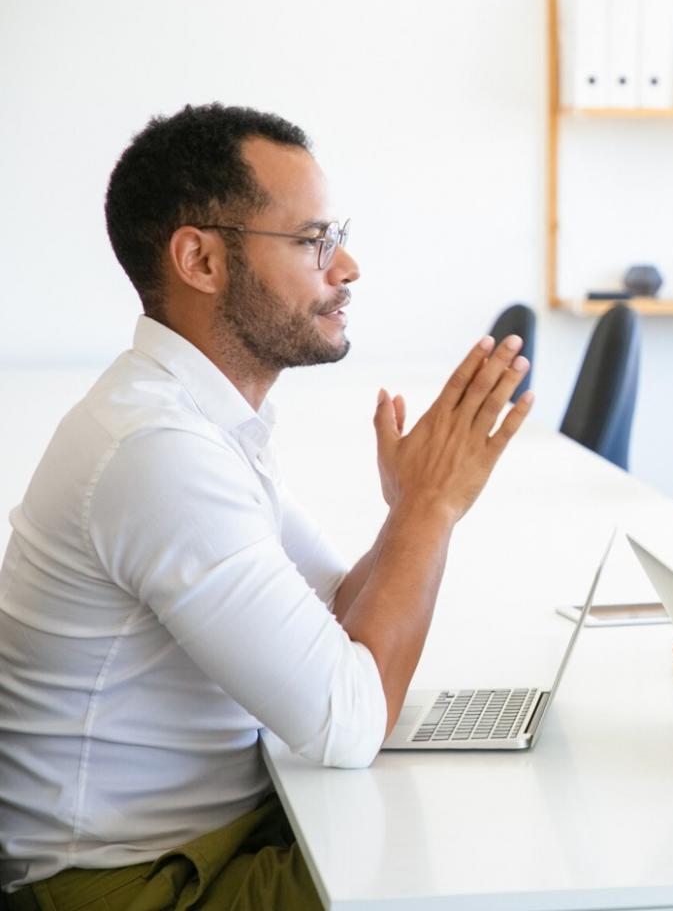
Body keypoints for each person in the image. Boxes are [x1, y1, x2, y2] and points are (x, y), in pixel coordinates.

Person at [0, 104, 535, 910]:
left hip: (210, 842)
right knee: (495, 856)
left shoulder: (195, 418)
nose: (346, 265)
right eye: (313, 240)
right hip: (131, 887)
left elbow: (331, 620)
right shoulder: (157, 450)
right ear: (201, 259)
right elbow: (350, 724)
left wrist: (412, 513)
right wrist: (428, 509)